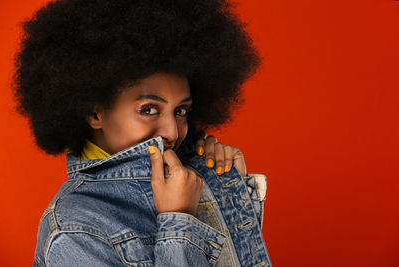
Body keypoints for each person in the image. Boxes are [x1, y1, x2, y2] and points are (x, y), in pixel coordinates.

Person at [14, 0, 272, 266]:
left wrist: (227, 186)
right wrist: (179, 219)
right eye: (148, 109)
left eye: (181, 111)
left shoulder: (191, 180)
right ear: (95, 113)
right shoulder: (74, 230)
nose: (172, 131)